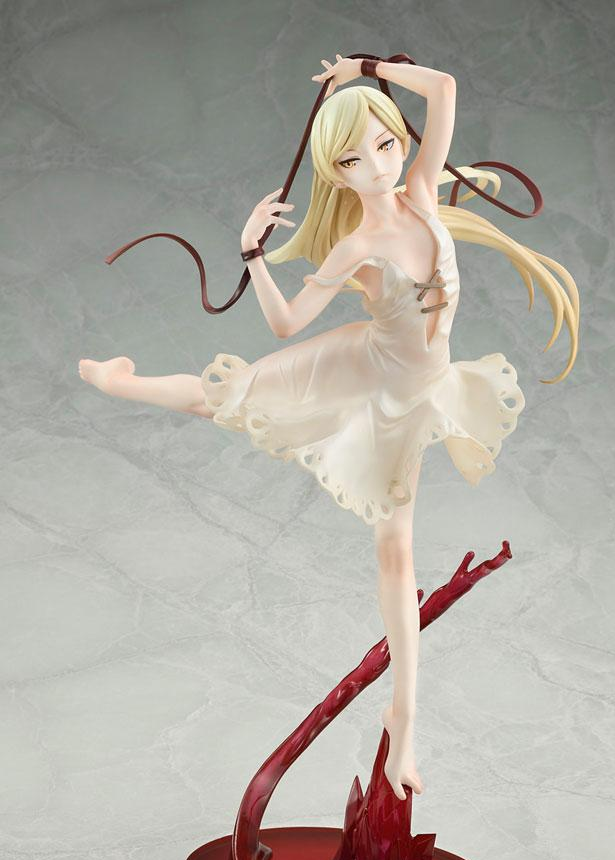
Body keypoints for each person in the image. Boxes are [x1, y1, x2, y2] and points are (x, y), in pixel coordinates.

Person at [78, 56, 579, 801]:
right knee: (241, 399)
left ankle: (401, 718)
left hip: (418, 387)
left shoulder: (420, 193)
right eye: (352, 159)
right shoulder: (357, 245)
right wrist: (252, 253)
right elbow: (285, 323)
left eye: (385, 143)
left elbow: (443, 89)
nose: (376, 165)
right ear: (335, 174)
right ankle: (117, 380)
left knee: (395, 553)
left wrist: (362, 67)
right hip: (367, 375)